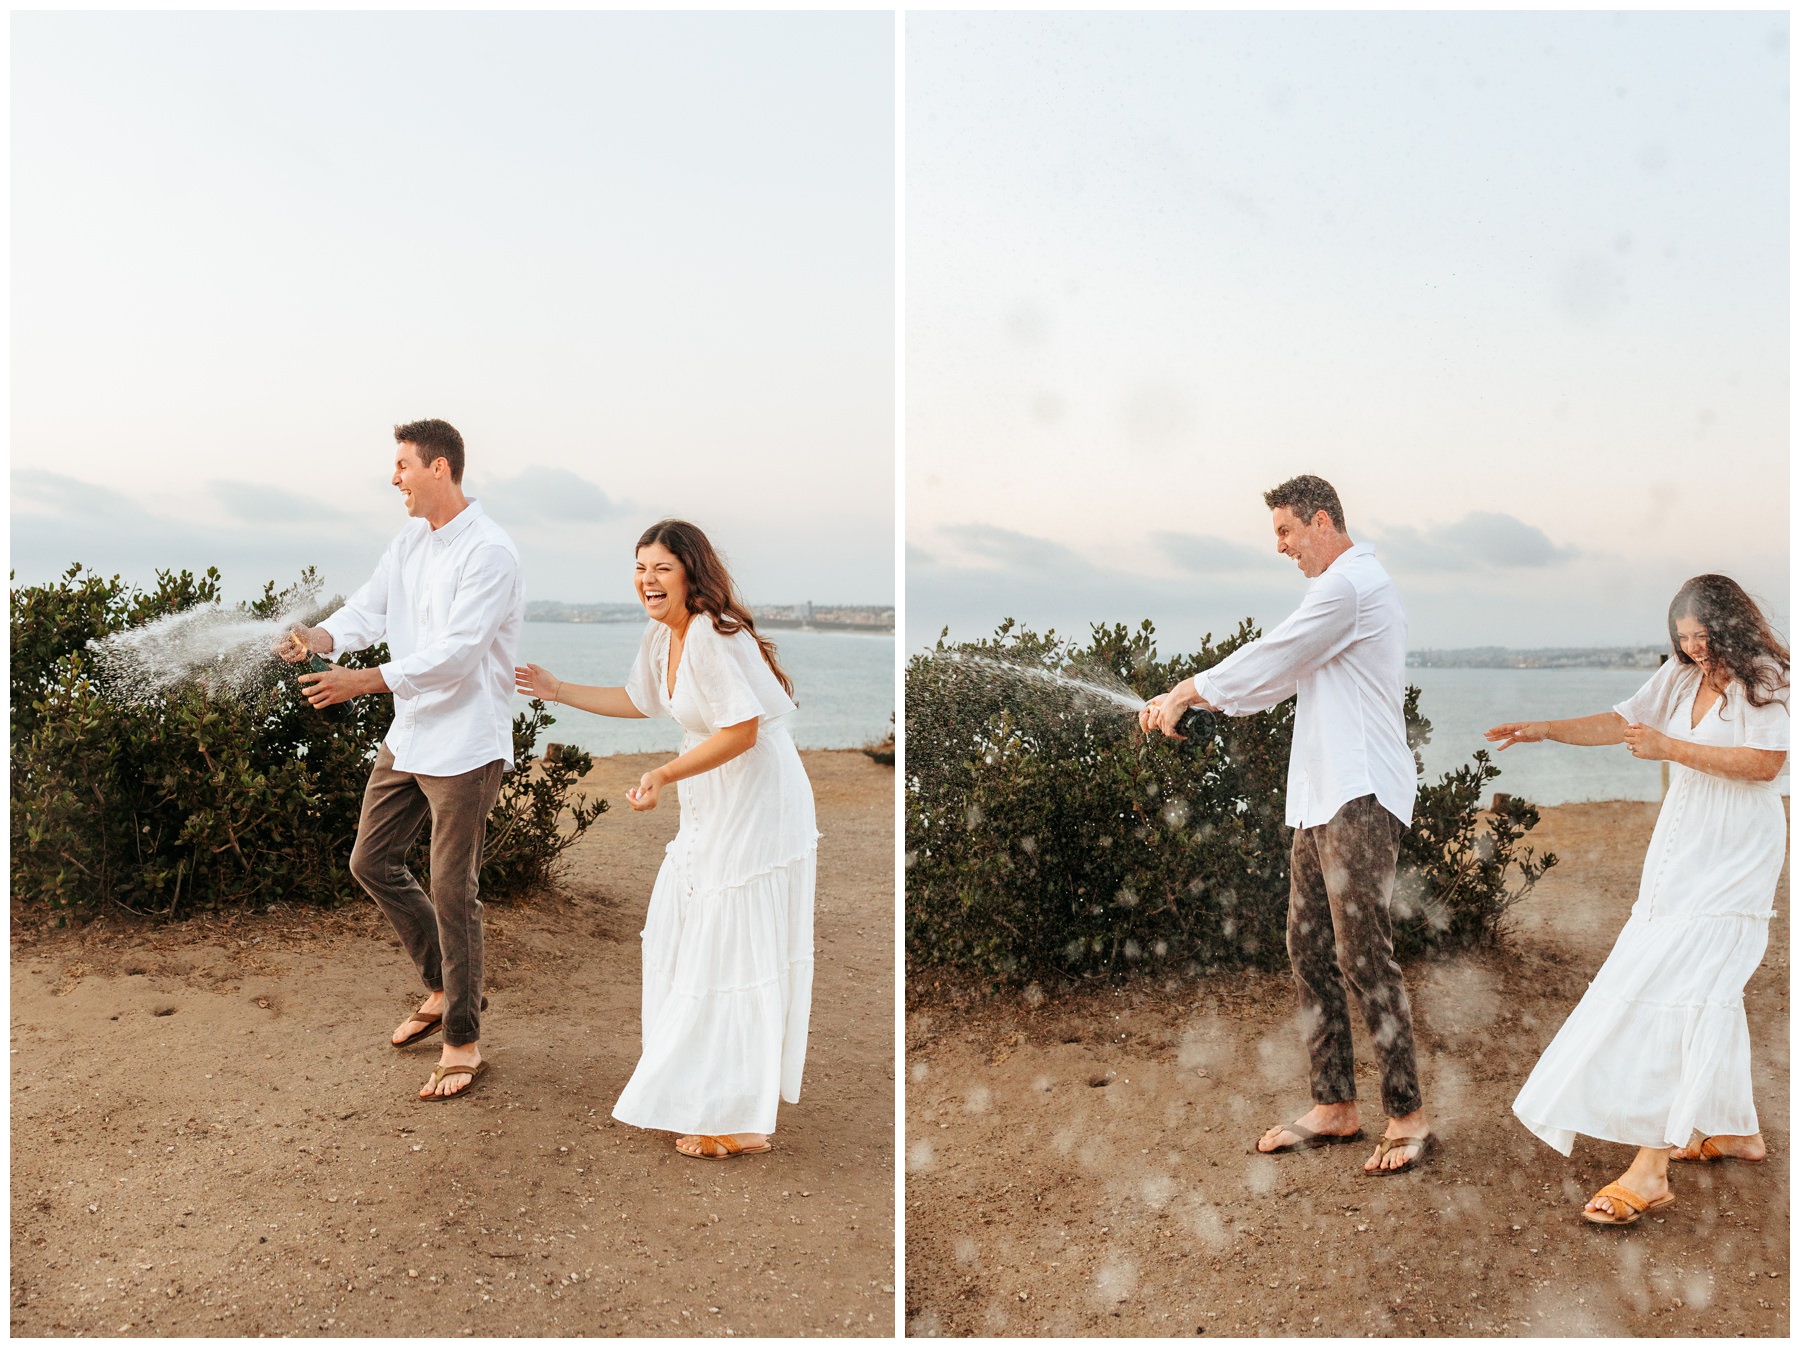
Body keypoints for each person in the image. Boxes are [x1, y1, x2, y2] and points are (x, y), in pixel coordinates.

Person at [1141, 474, 1431, 1175]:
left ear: (1321, 521)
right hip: (1321, 797)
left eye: (1285, 532)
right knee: (1307, 950)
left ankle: (1409, 1116)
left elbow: (1272, 654)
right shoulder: (1336, 593)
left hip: (1359, 796)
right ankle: (1335, 1107)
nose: (1281, 548)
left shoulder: (1352, 585)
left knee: (1364, 955)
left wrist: (1186, 689)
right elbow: (1278, 677)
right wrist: (1200, 703)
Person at [1486, 574, 1788, 1224]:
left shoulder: (1764, 679)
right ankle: (1736, 1131)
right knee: (1699, 985)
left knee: (1683, 990)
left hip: (1736, 856)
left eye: (1702, 637)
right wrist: (1545, 729)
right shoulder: (1679, 680)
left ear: (1729, 626)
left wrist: (1670, 748)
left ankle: (1650, 1170)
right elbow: (1621, 722)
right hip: (1679, 855)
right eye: (1682, 639)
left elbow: (1766, 764)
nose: (1693, 649)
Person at [514, 519, 817, 1160]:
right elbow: (638, 698)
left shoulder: (710, 633)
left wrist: (661, 773)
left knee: (732, 942)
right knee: (689, 930)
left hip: (756, 800)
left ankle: (737, 1118)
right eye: (639, 567)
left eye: (661, 568)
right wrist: (556, 689)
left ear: (690, 572)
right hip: (717, 796)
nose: (647, 580)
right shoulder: (665, 635)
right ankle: (708, 1090)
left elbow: (742, 731)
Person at [279, 418, 524, 1101]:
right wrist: (318, 637)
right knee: (371, 861)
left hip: (467, 744)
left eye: (403, 465)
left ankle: (465, 1040)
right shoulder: (410, 540)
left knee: (453, 889)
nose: (395, 479)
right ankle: (443, 986)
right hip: (410, 736)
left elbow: (457, 655)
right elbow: (368, 610)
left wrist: (360, 681)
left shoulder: (491, 553)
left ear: (439, 468)